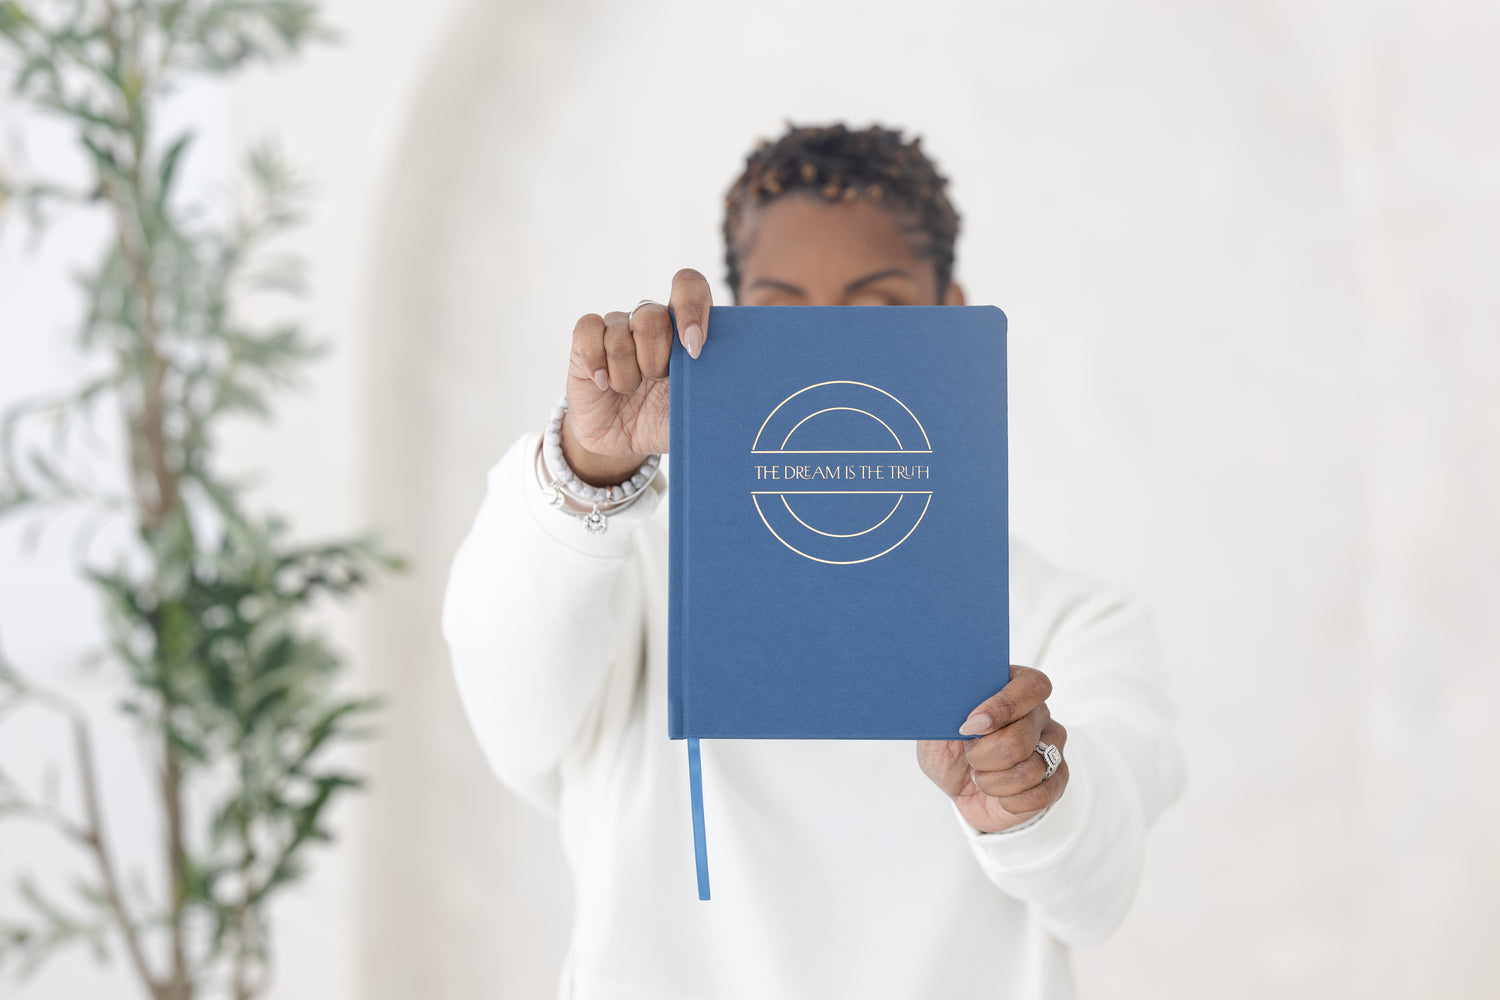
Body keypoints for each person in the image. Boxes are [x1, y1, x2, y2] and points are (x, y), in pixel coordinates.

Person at [440, 121, 1186, 999]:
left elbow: (1098, 890)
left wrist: (1033, 805)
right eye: (785, 310)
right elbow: (512, 713)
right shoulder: (635, 569)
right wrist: (588, 470)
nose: (834, 344)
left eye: (878, 310)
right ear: (729, 322)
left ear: (951, 316)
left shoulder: (1070, 621)